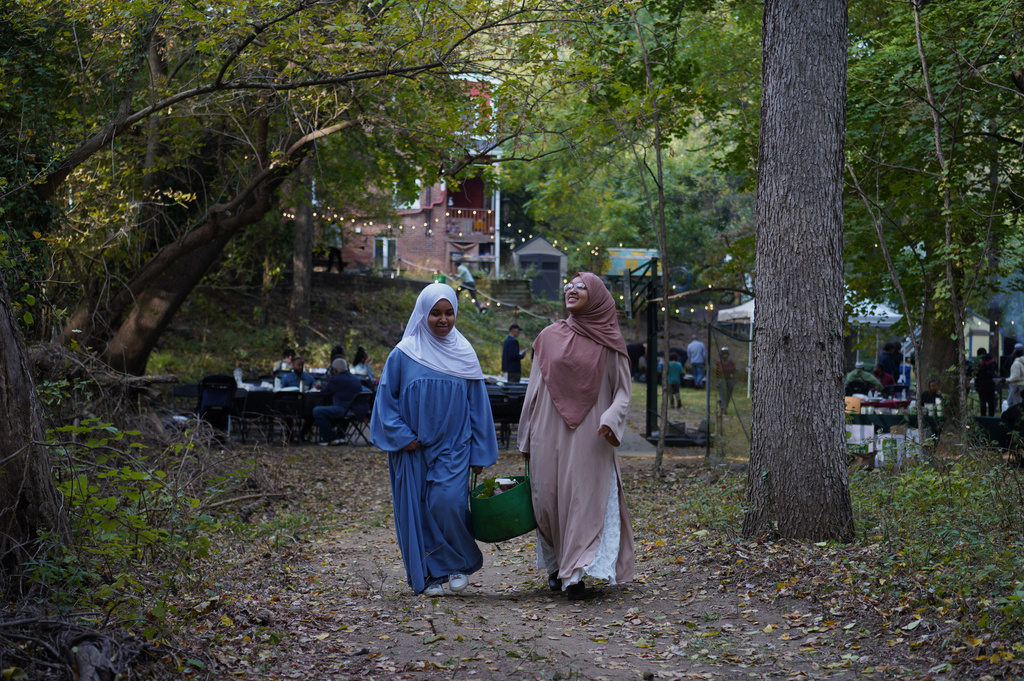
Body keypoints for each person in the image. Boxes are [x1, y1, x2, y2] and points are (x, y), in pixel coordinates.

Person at [369, 283, 499, 597]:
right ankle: (430, 575)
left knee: (447, 504)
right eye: (436, 313)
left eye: (449, 312)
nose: (443, 319)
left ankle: (457, 563)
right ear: (423, 314)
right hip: (413, 447)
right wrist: (400, 436)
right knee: (417, 511)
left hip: (454, 446)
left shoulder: (464, 354)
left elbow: (478, 407)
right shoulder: (403, 354)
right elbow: (386, 401)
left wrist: (480, 453)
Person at [517, 272, 635, 601]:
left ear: (596, 295)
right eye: (569, 284)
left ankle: (574, 576)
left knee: (582, 500)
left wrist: (612, 417)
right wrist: (525, 433)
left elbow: (623, 391)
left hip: (590, 434)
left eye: (581, 285)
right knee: (548, 501)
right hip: (547, 431)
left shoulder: (609, 340)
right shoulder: (548, 336)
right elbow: (534, 389)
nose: (571, 288)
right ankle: (556, 567)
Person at [313, 359, 368, 445]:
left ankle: (328, 438)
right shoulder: (355, 378)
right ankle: (340, 436)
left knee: (318, 411)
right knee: (339, 407)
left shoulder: (336, 379)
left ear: (334, 370)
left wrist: (318, 387)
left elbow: (324, 393)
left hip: (347, 410)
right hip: (360, 410)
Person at [974, 347, 998, 417]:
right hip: (990, 384)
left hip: (981, 384)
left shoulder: (978, 361)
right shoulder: (991, 360)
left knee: (983, 402)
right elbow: (995, 368)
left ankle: (983, 416)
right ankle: (991, 416)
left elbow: (976, 372)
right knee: (991, 402)